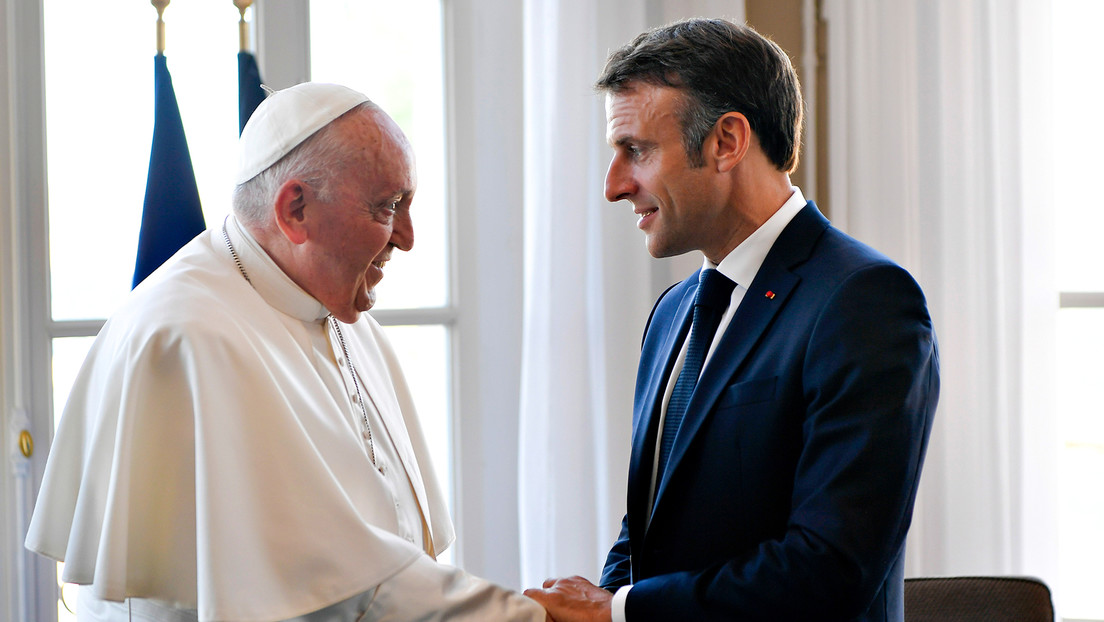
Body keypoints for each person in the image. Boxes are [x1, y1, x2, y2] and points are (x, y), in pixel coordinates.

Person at [26, 82, 545, 622]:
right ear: (294, 208)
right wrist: (524, 616)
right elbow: (327, 587)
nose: (407, 237)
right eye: (388, 207)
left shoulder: (337, 308)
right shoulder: (189, 336)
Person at [525, 18, 939, 622]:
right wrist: (606, 602)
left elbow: (831, 568)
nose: (614, 186)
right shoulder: (671, 313)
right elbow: (649, 525)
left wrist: (620, 612)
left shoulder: (866, 301)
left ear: (726, 142)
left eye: (635, 150)